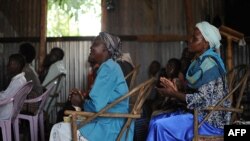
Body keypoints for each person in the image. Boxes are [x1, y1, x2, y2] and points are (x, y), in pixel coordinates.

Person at [146, 21, 231, 141]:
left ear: (206, 44)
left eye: (194, 38)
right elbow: (196, 92)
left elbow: (202, 100)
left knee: (159, 125)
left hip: (209, 121)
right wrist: (177, 87)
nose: (189, 40)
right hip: (198, 115)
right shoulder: (199, 62)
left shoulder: (210, 65)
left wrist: (173, 93)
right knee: (155, 120)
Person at [49, 32, 133, 141]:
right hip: (112, 123)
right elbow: (100, 101)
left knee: (58, 129)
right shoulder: (111, 66)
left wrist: (80, 102)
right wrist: (82, 99)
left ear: (105, 49)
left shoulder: (108, 68)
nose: (91, 46)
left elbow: (96, 106)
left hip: (109, 129)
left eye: (96, 43)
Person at [19, 42, 43, 114]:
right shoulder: (29, 68)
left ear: (24, 57)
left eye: (19, 53)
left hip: (31, 104)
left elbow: (19, 90)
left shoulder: (25, 70)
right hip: (35, 101)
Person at [0, 53, 26, 119]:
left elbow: (4, 97)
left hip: (6, 112)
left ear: (17, 66)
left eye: (10, 64)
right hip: (11, 109)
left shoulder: (18, 82)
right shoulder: (21, 79)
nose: (7, 66)